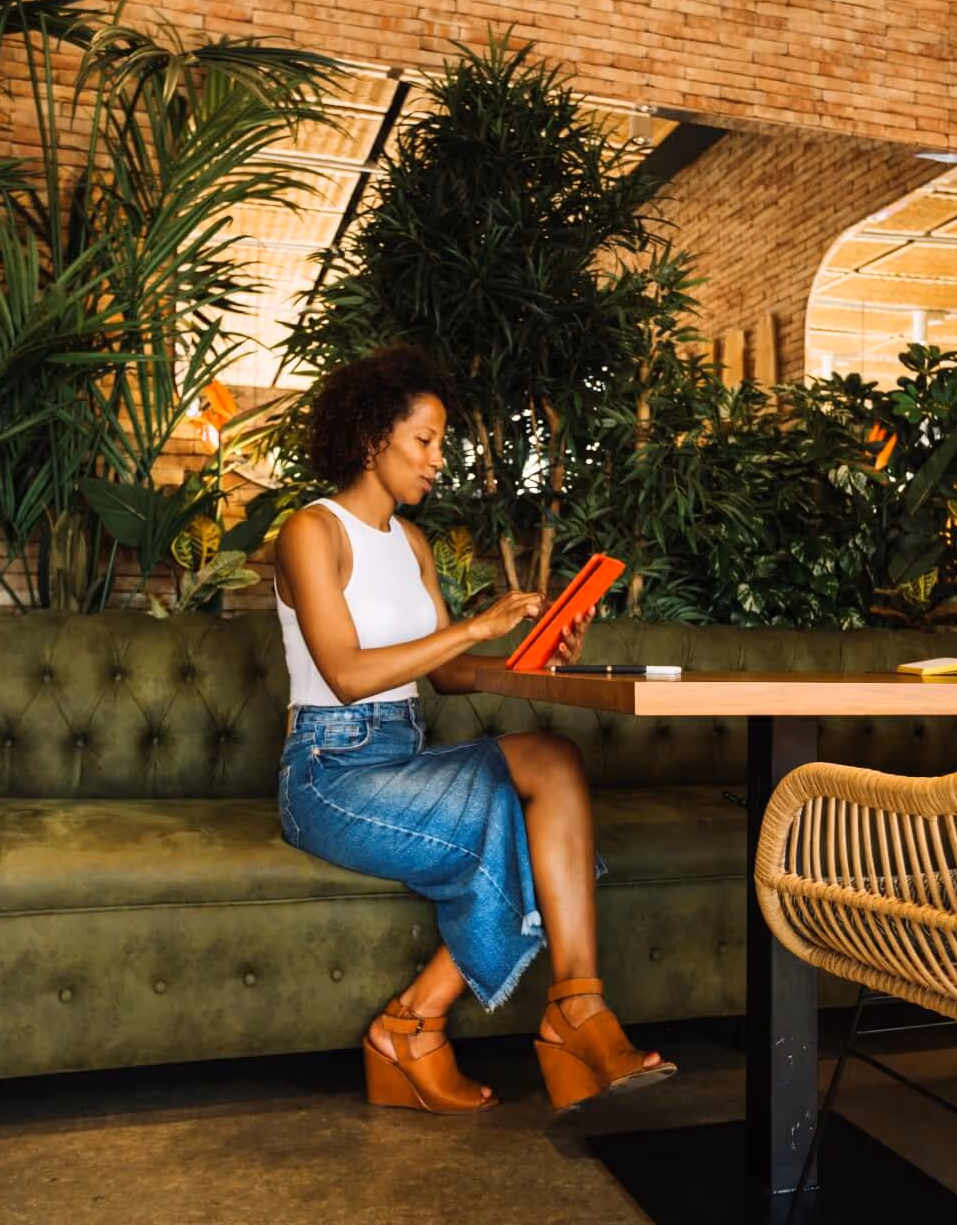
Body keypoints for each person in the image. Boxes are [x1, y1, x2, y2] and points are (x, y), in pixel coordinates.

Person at [272, 344, 675, 1115]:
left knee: (552, 760)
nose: (437, 460)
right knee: (510, 813)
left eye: (440, 444)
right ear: (372, 438)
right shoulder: (312, 532)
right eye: (424, 441)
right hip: (329, 772)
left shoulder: (411, 543)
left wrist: (535, 653)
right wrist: (472, 625)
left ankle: (577, 1005)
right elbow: (347, 674)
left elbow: (450, 675)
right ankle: (413, 1025)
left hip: (402, 753)